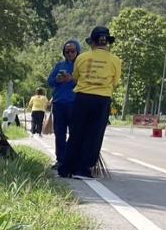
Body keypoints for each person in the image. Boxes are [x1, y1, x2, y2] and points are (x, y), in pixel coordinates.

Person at [58, 25, 122, 179]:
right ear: (107, 43)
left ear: (92, 42)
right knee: (93, 135)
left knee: (76, 133)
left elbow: (76, 76)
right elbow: (115, 82)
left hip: (82, 98)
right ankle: (84, 169)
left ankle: (66, 168)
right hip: (102, 100)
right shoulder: (115, 60)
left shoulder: (82, 58)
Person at [47, 39, 80, 167]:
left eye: (72, 51)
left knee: (74, 133)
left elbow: (85, 81)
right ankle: (60, 159)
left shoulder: (80, 65)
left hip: (75, 103)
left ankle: (72, 159)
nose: (70, 53)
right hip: (59, 103)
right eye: (67, 51)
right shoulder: (59, 66)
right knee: (59, 133)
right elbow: (49, 82)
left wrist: (72, 79)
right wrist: (58, 79)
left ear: (77, 51)